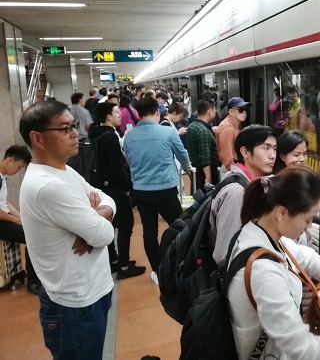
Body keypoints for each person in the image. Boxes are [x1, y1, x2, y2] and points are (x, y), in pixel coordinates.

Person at [227, 167, 320, 360]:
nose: (309, 227)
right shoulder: (264, 271)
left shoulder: (261, 232)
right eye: (308, 220)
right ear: (282, 212)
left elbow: (309, 258)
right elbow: (304, 351)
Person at [18, 100, 116, 360]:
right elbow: (105, 235)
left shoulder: (64, 172)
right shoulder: (48, 185)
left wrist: (96, 216)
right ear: (37, 138)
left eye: (73, 126)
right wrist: (95, 225)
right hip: (74, 305)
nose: (75, 133)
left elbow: (107, 199)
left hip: (93, 289)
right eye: (64, 129)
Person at [122, 97, 191, 284]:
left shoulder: (129, 136)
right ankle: (181, 263)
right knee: (181, 227)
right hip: (165, 189)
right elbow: (182, 154)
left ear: (137, 113)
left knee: (149, 231)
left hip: (141, 191)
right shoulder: (168, 132)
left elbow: (128, 160)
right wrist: (187, 168)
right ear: (157, 111)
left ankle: (157, 270)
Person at [89, 102, 145, 280]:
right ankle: (124, 264)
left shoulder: (95, 134)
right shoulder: (110, 137)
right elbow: (116, 167)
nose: (119, 115)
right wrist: (126, 187)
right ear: (108, 117)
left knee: (109, 224)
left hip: (100, 185)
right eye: (115, 112)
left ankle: (113, 259)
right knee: (125, 225)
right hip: (114, 187)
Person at [210, 125, 276, 270]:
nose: (272, 155)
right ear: (245, 152)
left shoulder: (252, 184)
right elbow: (224, 255)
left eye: (274, 148)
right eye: (266, 148)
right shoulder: (236, 193)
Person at [0, 145, 41, 294]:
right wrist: (15, 220)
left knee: (34, 228)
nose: (17, 171)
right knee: (32, 236)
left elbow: (4, 203)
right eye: (18, 167)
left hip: (4, 219)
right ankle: (33, 282)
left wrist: (21, 216)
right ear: (10, 160)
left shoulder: (2, 176)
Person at [187, 99, 220, 189]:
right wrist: (208, 177)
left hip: (196, 170)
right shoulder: (203, 130)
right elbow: (205, 156)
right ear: (210, 112)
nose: (215, 112)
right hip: (204, 173)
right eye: (214, 110)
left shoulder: (191, 126)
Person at [216, 97, 252, 171]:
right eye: (241, 110)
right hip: (231, 169)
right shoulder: (227, 127)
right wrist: (234, 171)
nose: (244, 112)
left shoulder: (233, 125)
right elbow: (226, 156)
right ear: (231, 112)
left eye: (245, 109)